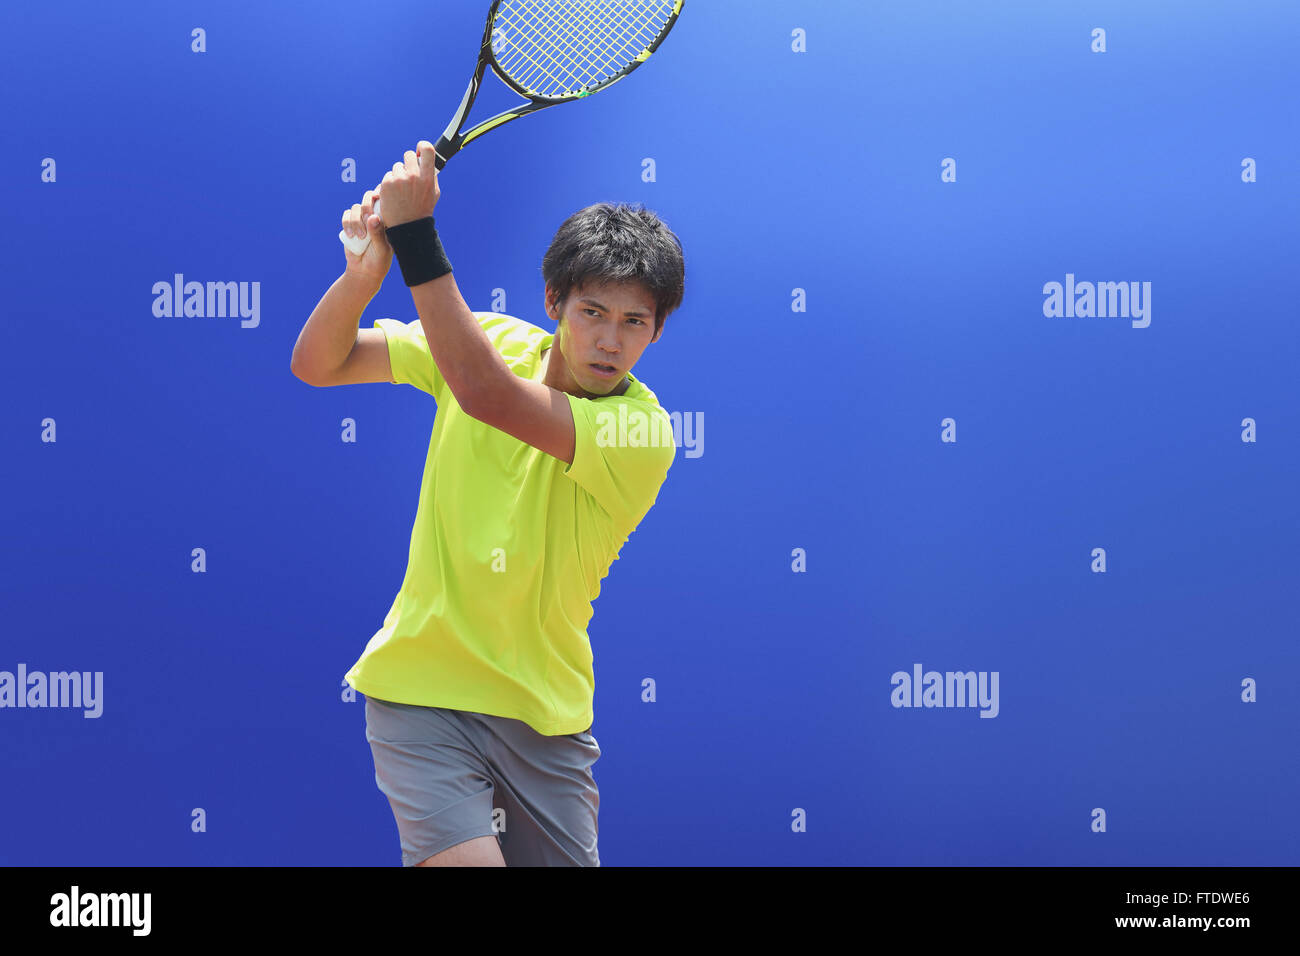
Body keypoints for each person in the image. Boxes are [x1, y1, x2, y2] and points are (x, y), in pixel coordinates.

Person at [290, 142, 686, 866]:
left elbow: (488, 395)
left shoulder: (643, 433)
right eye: (593, 310)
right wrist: (362, 277)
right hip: (421, 690)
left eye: (635, 322)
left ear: (656, 331)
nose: (609, 339)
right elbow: (320, 362)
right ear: (553, 303)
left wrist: (414, 235)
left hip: (545, 719)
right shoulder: (490, 341)